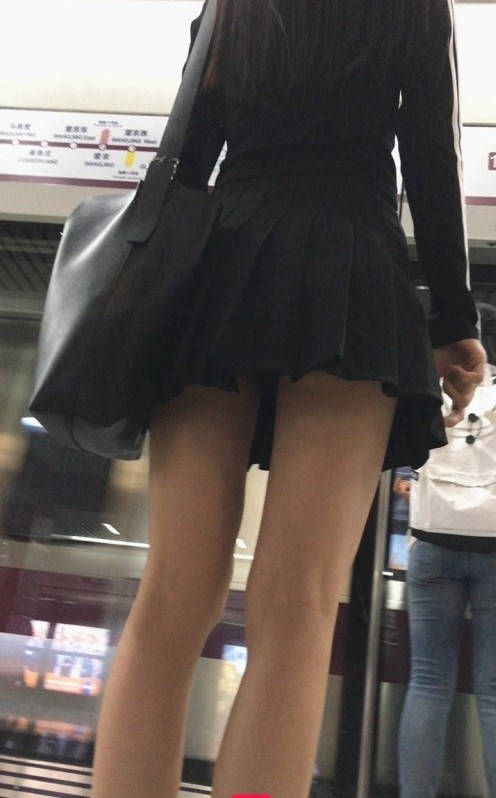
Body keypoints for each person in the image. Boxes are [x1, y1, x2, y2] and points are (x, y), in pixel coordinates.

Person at [89, 2, 487, 796]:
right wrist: (453, 320)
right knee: (298, 603)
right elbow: (431, 157)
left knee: (172, 592)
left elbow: (188, 152)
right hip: (351, 270)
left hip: (218, 268)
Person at [398, 302, 496, 798]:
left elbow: (403, 466)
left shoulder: (427, 390)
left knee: (428, 682)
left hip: (433, 542)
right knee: (494, 694)